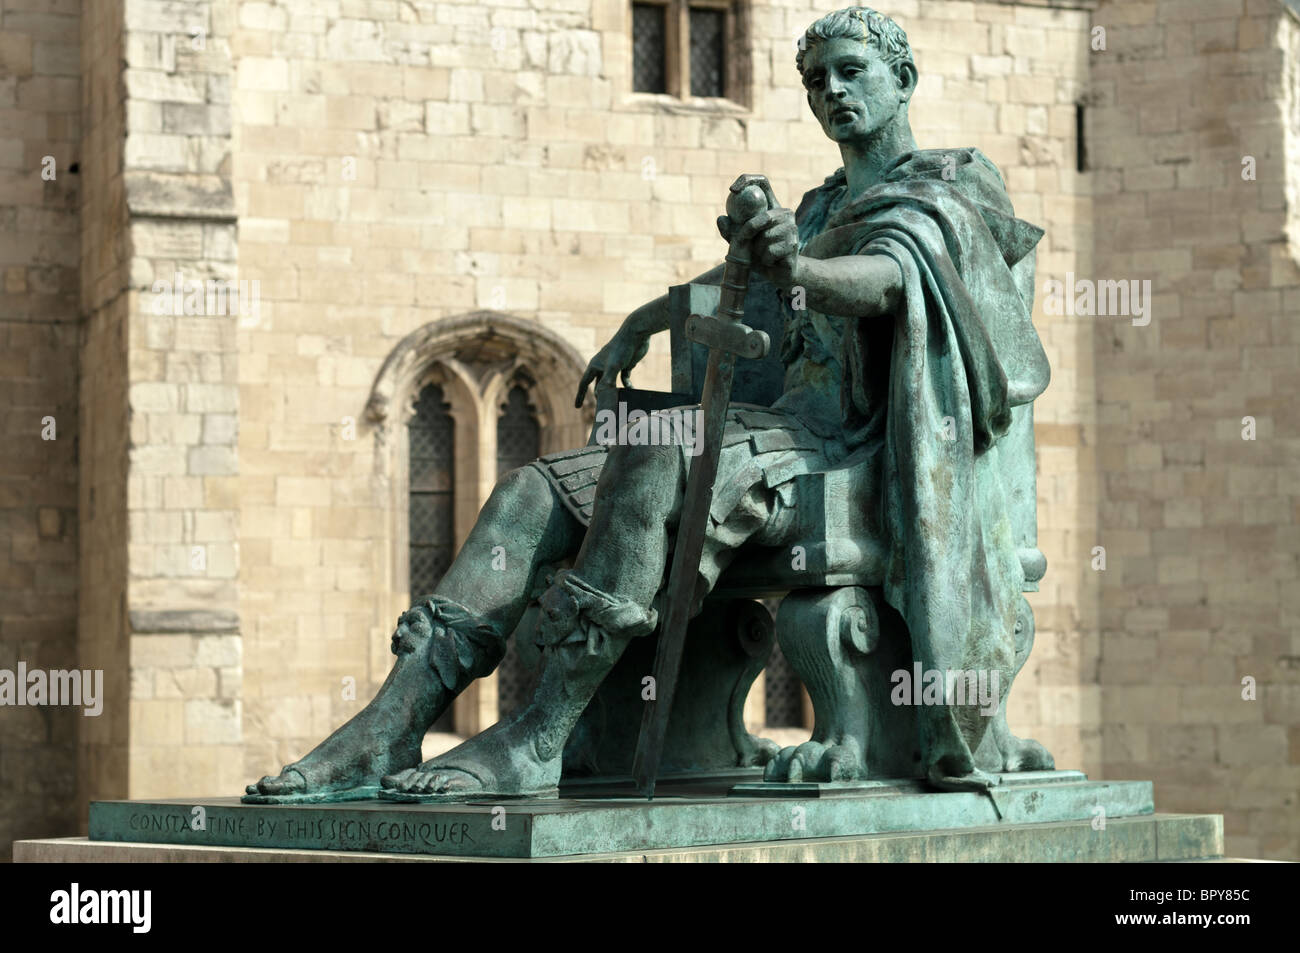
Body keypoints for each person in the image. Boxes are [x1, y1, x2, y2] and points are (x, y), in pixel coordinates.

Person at [246, 6, 1050, 803]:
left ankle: (539, 734)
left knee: (659, 447)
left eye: (852, 73)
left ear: (902, 80)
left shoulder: (949, 187)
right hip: (771, 435)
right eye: (815, 80)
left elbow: (889, 282)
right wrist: (647, 319)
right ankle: (389, 721)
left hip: (859, 450)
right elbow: (733, 288)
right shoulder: (816, 206)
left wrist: (797, 270)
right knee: (532, 491)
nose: (832, 92)